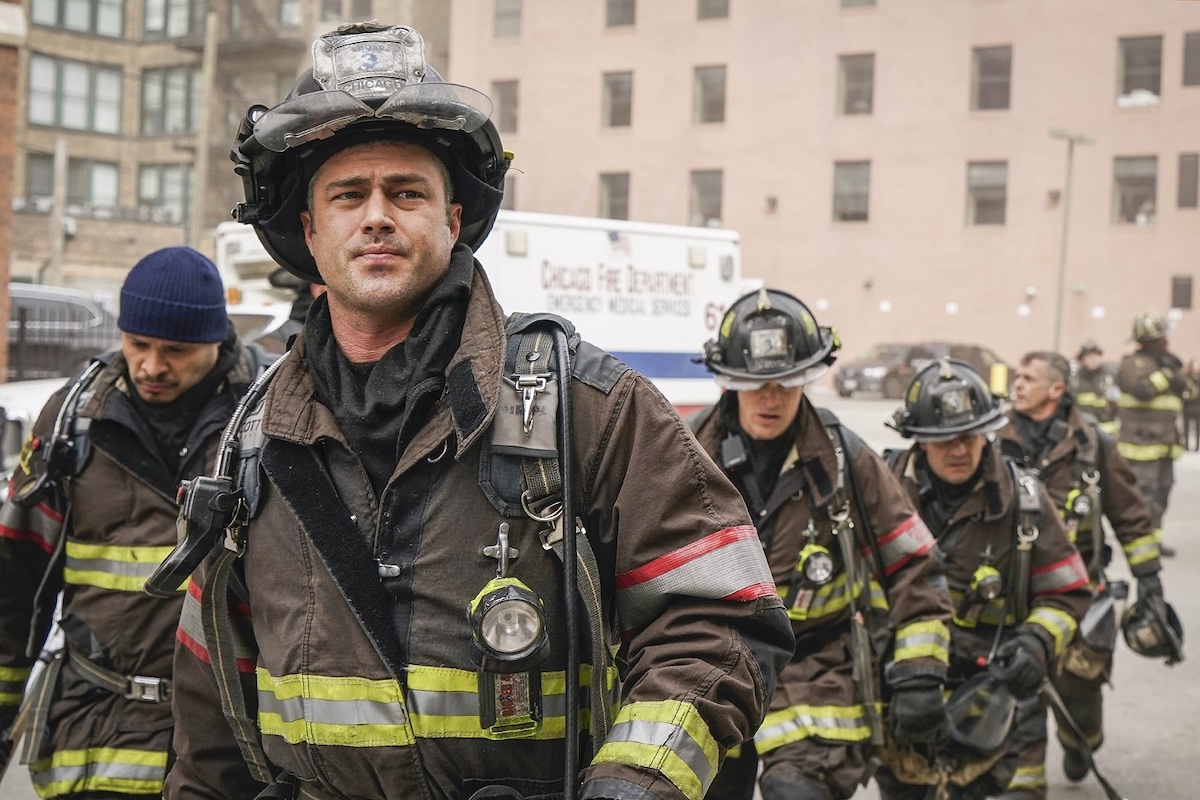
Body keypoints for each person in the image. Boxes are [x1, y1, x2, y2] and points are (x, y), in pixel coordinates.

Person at [163, 21, 793, 800]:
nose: (377, 216)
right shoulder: (253, 441)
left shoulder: (585, 406)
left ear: (454, 220)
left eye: (407, 192)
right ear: (309, 231)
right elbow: (210, 702)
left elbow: (720, 618)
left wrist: (638, 781)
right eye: (348, 194)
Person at [0, 247, 266, 797]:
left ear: (217, 340)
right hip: (91, 732)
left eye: (175, 350)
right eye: (137, 343)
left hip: (221, 743)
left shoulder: (263, 425)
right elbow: (12, 583)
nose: (150, 366)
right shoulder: (72, 423)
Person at [690, 288, 954, 800]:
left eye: (787, 382)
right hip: (707, 663)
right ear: (731, 381)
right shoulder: (684, 450)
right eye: (756, 382)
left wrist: (920, 673)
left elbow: (915, 564)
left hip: (815, 667)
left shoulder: (845, 460)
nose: (772, 397)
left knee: (798, 791)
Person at [876, 359, 1090, 800]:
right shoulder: (881, 493)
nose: (959, 450)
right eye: (944, 440)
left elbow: (1068, 593)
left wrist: (1037, 642)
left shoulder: (1024, 501)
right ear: (917, 438)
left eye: (970, 436)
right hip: (906, 688)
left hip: (1001, 684)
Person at [996, 351, 1165, 797]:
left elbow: (1131, 516)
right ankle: (1024, 785)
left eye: (1028, 378)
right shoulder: (996, 437)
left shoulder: (1093, 444)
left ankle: (1080, 740)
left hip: (1080, 594)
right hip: (1014, 596)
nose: (1017, 384)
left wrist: (1150, 580)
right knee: (1021, 695)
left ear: (1056, 390)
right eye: (1017, 375)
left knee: (1080, 694)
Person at [1115, 312, 1197, 558]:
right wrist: (1169, 375)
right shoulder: (1133, 365)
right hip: (1140, 445)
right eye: (1160, 338)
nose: (1165, 342)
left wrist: (1184, 381)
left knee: (1161, 496)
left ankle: (1155, 542)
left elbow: (1190, 395)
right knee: (1144, 498)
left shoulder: (1166, 363)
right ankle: (1142, 545)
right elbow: (1142, 391)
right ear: (1146, 340)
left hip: (1165, 446)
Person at [1070, 341, 1117, 436]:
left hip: (1107, 430)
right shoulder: (1075, 380)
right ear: (1082, 359)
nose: (1093, 359)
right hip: (1084, 430)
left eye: (1096, 356)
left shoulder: (1109, 377)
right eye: (1089, 356)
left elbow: (1117, 403)